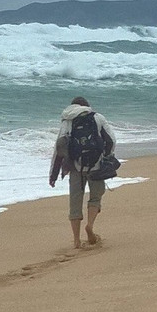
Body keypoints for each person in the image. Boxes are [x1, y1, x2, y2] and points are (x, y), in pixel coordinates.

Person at [48, 97, 117, 248]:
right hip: (96, 166)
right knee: (95, 198)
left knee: (75, 203)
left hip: (75, 168)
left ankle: (76, 241)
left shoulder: (67, 121)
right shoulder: (97, 117)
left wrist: (53, 175)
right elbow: (111, 140)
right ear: (86, 106)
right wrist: (106, 157)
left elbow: (59, 148)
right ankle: (90, 226)